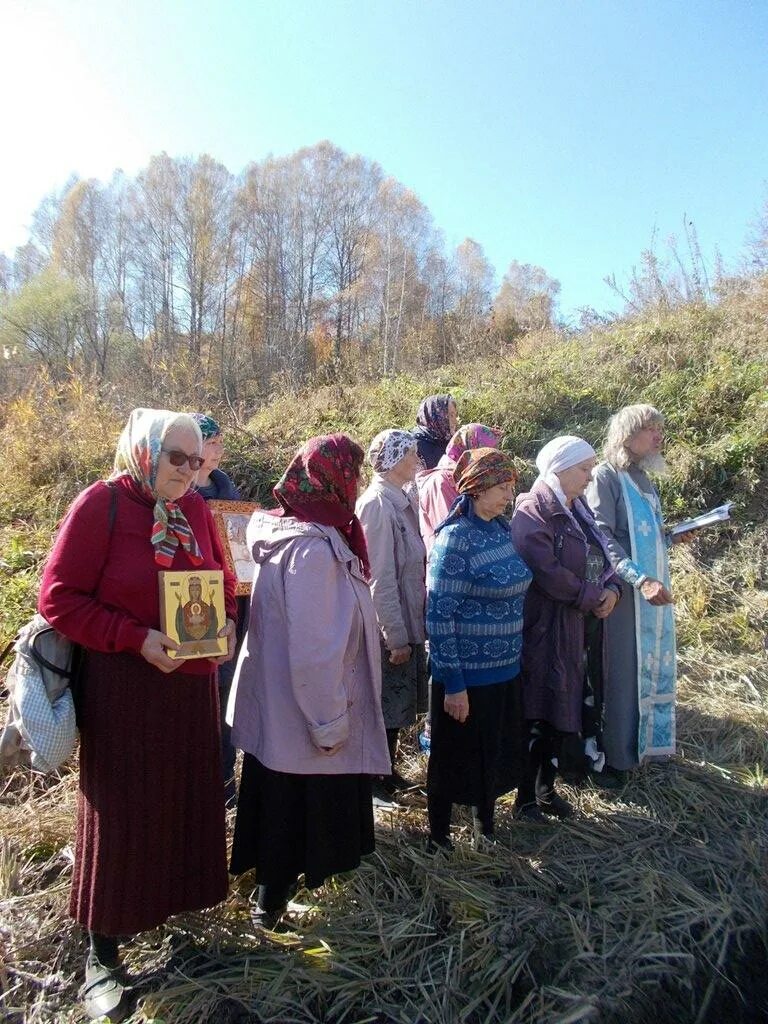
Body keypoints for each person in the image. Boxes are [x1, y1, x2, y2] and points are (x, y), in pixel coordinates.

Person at [38, 408, 237, 1023]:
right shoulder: (103, 505)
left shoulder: (198, 511)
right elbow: (58, 597)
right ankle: (102, 951)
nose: (190, 468)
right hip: (126, 688)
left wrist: (227, 620)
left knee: (179, 801)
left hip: (187, 690)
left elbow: (224, 583)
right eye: (176, 456)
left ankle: (169, 915)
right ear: (142, 451)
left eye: (196, 458)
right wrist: (133, 637)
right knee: (122, 810)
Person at [227, 434, 390, 929]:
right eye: (351, 474)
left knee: (279, 801)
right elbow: (316, 650)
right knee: (297, 811)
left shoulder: (294, 533)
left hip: (282, 710)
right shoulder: (313, 550)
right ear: (330, 480)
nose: (357, 483)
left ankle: (272, 896)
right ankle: (270, 905)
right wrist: (329, 720)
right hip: (310, 712)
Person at [510, 436, 623, 821]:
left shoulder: (576, 509)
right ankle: (525, 799)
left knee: (563, 707)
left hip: (576, 623)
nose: (590, 477)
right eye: (584, 469)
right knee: (539, 711)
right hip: (545, 625)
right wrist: (593, 596)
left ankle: (546, 790)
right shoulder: (534, 509)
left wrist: (612, 587)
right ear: (560, 468)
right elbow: (547, 573)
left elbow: (603, 553)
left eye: (592, 468)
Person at [426, 448, 531, 850]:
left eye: (510, 487)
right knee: (454, 761)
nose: (509, 494)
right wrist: (454, 683)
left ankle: (484, 829)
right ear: (477, 487)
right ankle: (438, 838)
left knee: (492, 755)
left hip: (504, 670)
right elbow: (439, 616)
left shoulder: (500, 529)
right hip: (467, 677)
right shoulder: (454, 540)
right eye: (502, 487)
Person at [585, 405, 689, 779]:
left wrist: (672, 535)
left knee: (648, 669)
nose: (659, 436)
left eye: (660, 428)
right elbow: (602, 534)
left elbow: (644, 535)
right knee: (622, 673)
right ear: (628, 435)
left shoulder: (643, 479)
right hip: (624, 595)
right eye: (651, 429)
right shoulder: (606, 476)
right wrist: (637, 578)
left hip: (652, 592)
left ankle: (646, 748)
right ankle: (617, 758)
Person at [356, 429, 428, 801]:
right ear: (395, 458)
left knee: (397, 705)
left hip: (407, 616)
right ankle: (371, 779)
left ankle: (386, 772)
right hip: (390, 623)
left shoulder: (401, 498)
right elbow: (378, 576)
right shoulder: (377, 505)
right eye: (411, 453)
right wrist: (394, 635)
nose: (418, 459)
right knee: (384, 703)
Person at [192, 412, 248, 807]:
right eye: (210, 443)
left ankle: (225, 780)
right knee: (198, 694)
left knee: (227, 686)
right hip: (191, 602)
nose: (217, 451)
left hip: (233, 601)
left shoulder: (227, 489)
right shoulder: (173, 495)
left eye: (219, 443)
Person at [416, 423, 501, 556]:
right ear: (471, 449)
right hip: (452, 564)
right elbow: (449, 533)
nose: (491, 460)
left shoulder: (469, 477)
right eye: (486, 453)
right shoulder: (441, 482)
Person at [412, 394, 459, 470]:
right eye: (450, 415)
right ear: (436, 415)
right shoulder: (415, 445)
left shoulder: (446, 439)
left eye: (455, 415)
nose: (455, 421)